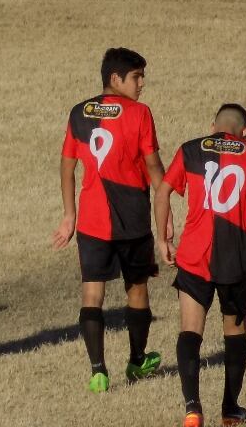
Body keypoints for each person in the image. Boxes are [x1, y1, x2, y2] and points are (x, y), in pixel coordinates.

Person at [154, 104, 246, 427]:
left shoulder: (191, 149)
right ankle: (230, 410)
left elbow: (162, 191)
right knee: (234, 333)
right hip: (235, 258)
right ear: (245, 131)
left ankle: (192, 408)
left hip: (194, 255)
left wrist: (164, 236)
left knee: (189, 331)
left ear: (213, 126)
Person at [52, 48, 166, 393]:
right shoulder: (140, 114)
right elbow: (153, 167)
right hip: (131, 218)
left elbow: (67, 166)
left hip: (90, 220)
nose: (142, 84)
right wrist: (167, 212)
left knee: (92, 294)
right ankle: (136, 360)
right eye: (137, 77)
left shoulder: (79, 112)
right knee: (138, 288)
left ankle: (98, 371)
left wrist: (69, 214)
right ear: (115, 78)